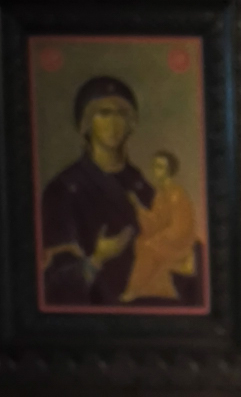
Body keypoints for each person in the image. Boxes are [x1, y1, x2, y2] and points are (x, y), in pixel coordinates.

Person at [39, 76, 152, 308]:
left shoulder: (139, 182)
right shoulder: (63, 189)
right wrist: (98, 259)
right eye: (104, 113)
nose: (114, 123)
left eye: (121, 113)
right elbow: (53, 285)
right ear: (86, 122)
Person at [122, 151, 198, 303]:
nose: (155, 170)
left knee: (148, 247)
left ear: (169, 170)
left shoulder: (176, 193)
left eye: (160, 167)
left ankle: (134, 290)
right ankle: (146, 291)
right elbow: (154, 222)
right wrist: (136, 205)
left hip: (178, 243)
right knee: (141, 242)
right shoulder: (160, 194)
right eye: (154, 166)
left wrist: (158, 239)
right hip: (165, 238)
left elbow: (180, 228)